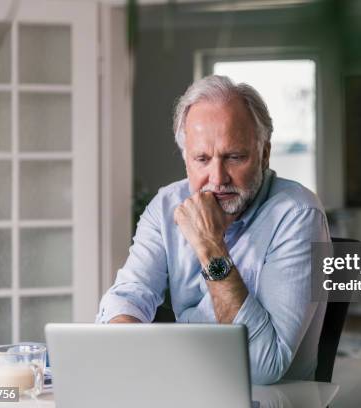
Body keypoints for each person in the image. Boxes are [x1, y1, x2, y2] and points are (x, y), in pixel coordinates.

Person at [96, 75, 330, 385]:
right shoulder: (167, 206)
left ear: (264, 154)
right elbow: (128, 295)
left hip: (272, 398)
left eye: (234, 157)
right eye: (202, 159)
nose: (218, 178)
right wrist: (126, 342)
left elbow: (263, 367)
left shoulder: (298, 214)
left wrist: (210, 245)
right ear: (186, 160)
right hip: (187, 387)